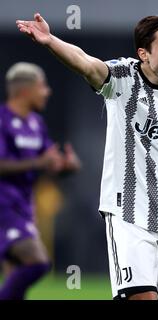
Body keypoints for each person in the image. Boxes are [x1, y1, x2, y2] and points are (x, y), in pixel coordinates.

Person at [16, 12, 158, 300]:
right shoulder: (123, 78)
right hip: (130, 218)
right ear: (145, 54)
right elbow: (86, 63)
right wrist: (51, 41)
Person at [0, 62, 81, 300]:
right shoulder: (3, 121)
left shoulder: (36, 124)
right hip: (4, 206)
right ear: (25, 91)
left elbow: (49, 162)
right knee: (38, 262)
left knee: (16, 276)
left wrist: (67, 165)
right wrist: (39, 163)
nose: (47, 91)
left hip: (24, 206)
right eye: (42, 86)